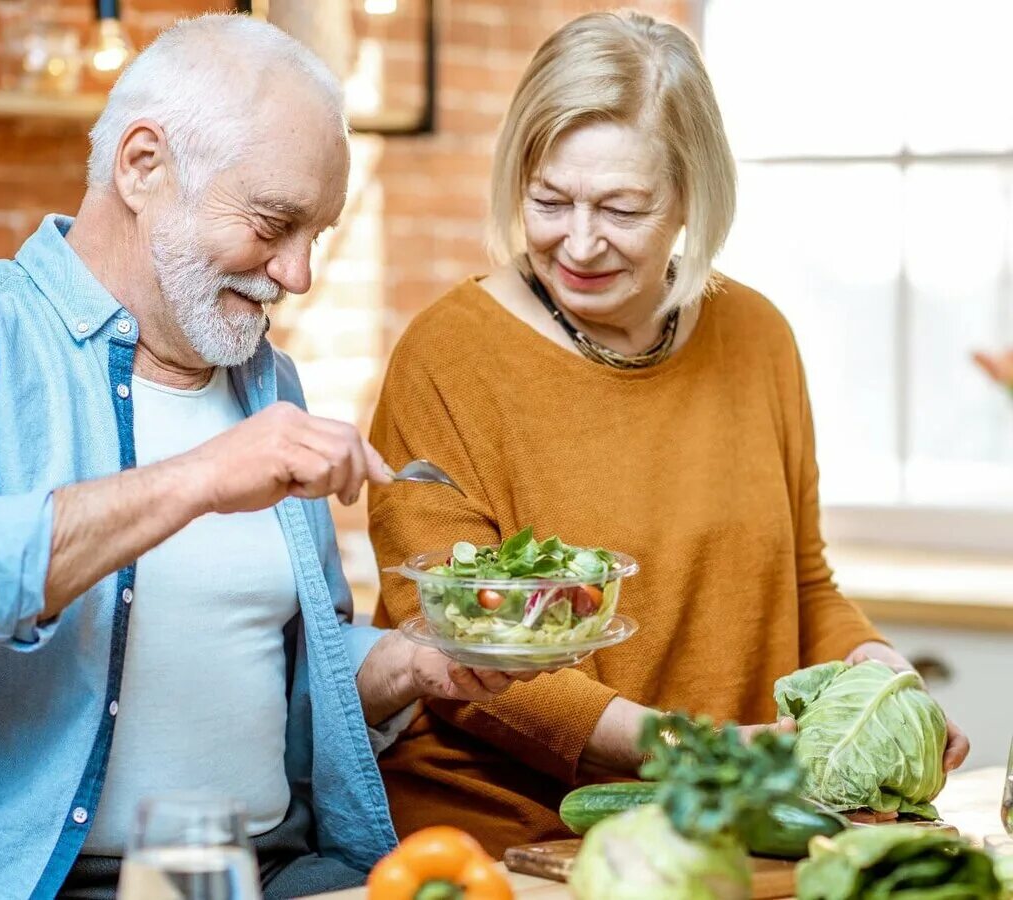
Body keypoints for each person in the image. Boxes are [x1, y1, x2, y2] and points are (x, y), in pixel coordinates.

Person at [0, 14, 527, 900]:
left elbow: (267, 672)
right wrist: (197, 479)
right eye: (275, 222)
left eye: (320, 234)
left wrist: (414, 666)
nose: (298, 273)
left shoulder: (269, 384)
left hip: (275, 875)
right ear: (142, 165)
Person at [367, 10, 970, 856]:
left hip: (726, 827)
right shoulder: (448, 357)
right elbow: (454, 648)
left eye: (622, 207)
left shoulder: (758, 337)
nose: (578, 242)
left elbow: (803, 582)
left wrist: (882, 681)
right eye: (549, 200)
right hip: (509, 840)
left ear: (691, 195)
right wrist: (690, 748)